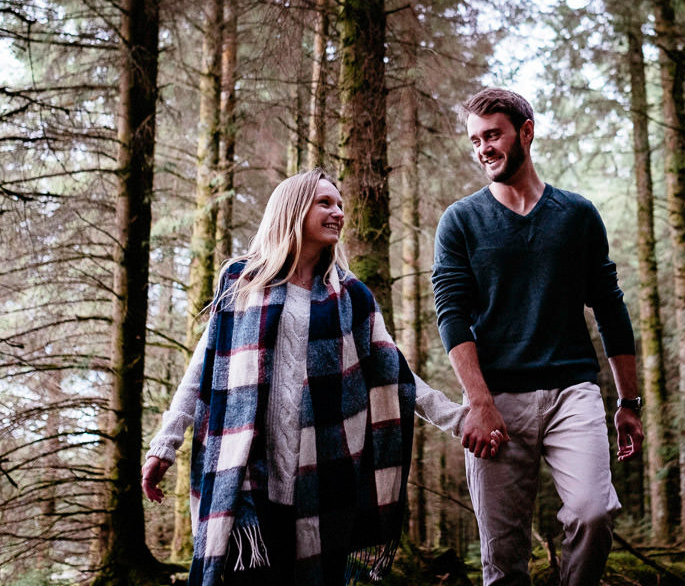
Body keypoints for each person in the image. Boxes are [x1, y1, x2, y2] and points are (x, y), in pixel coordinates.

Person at [141, 169, 472, 586]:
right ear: (294, 209)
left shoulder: (352, 297)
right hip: (246, 483)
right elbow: (203, 368)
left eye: (341, 206)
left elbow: (398, 376)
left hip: (326, 484)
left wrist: (461, 420)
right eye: (325, 203)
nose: (338, 213)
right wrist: (165, 443)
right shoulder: (243, 283)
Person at [431, 87, 643, 586]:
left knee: (593, 514)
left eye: (493, 134)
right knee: (503, 556)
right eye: (475, 140)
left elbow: (610, 307)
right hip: (497, 400)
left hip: (574, 392)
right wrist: (478, 403)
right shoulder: (461, 221)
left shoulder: (577, 215)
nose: (483, 147)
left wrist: (628, 401)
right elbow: (452, 313)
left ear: (525, 132)